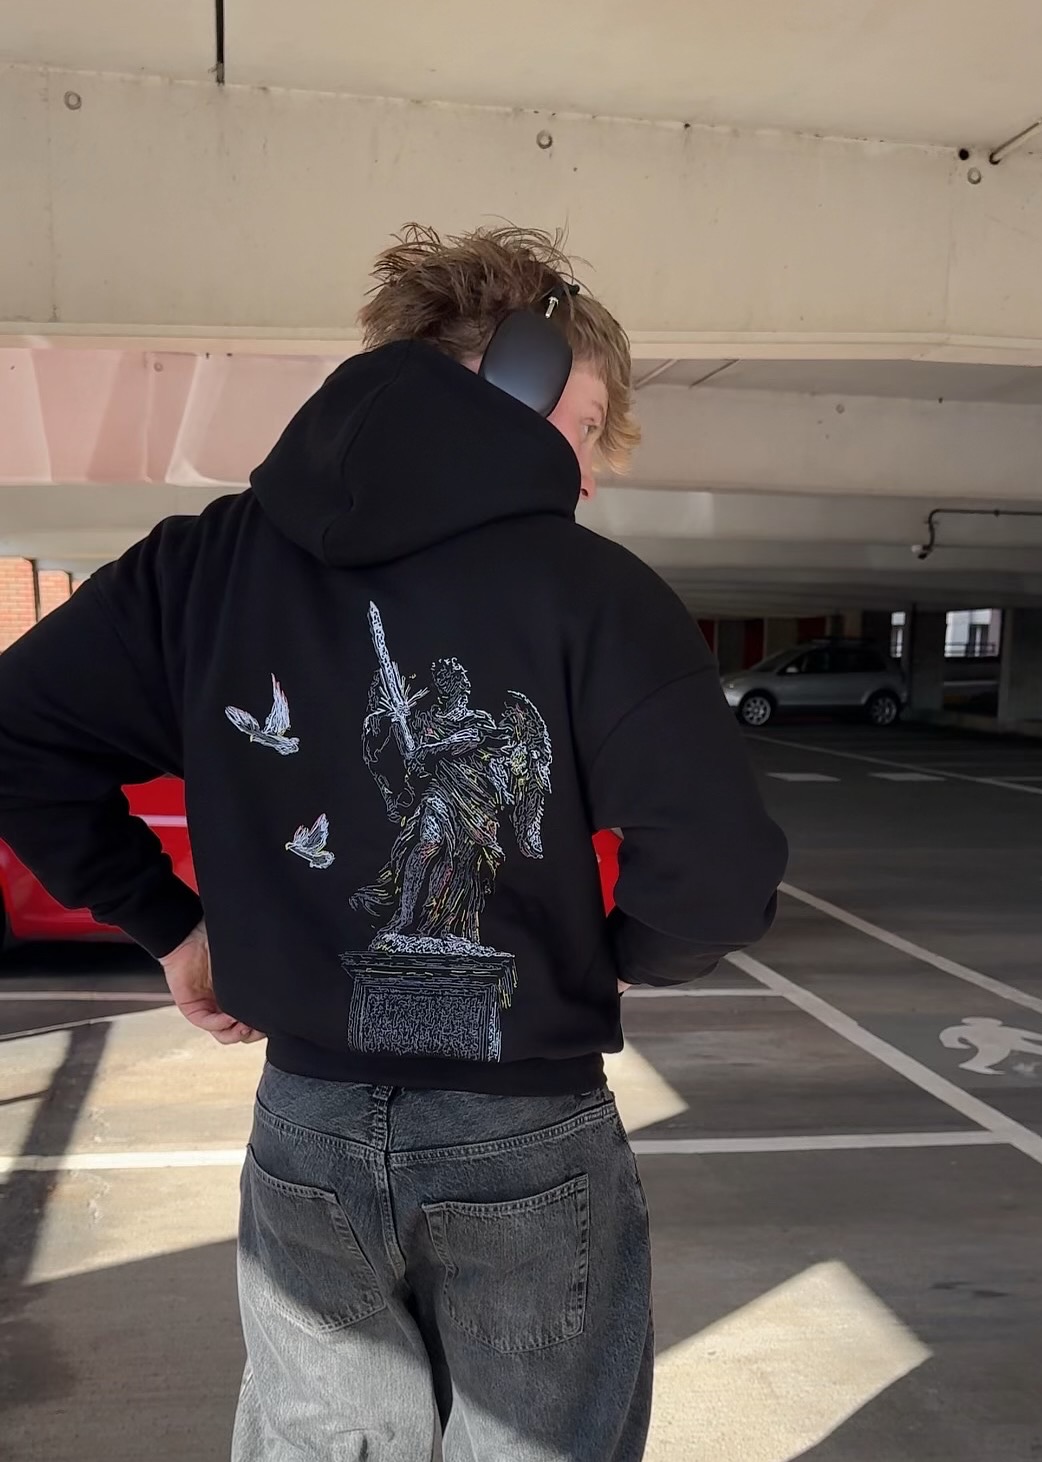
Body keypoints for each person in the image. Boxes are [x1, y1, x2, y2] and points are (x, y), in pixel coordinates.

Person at [0, 226, 788, 1461]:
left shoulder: (200, 567)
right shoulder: (596, 590)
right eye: (586, 428)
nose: (587, 476)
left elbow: (17, 736)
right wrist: (618, 957)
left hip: (305, 1119)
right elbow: (722, 879)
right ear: (520, 375)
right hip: (524, 1127)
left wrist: (173, 924)